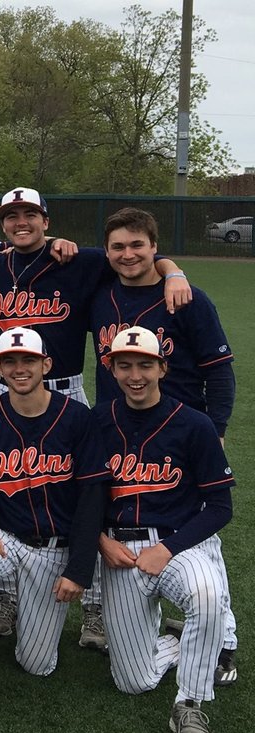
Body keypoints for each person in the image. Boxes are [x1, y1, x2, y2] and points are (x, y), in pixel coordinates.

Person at [0, 187, 192, 650]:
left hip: (67, 389)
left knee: (87, 491)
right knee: (10, 488)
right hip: (7, 387)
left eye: (30, 214)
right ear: (1, 223)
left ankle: (94, 605)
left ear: (46, 219)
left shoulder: (80, 260)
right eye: (11, 215)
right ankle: (7, 596)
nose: (21, 222)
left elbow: (135, 253)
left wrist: (173, 270)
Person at [90, 207, 238, 685]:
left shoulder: (186, 298)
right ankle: (158, 629)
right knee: (117, 508)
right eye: (118, 246)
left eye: (139, 245)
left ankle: (222, 640)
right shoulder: (101, 294)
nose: (128, 254)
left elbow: (219, 370)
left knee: (198, 525)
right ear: (107, 251)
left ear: (155, 247)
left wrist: (215, 428)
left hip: (182, 430)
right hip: (118, 427)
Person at [0, 327, 109, 723]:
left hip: (53, 549)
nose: (19, 369)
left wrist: (79, 570)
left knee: (38, 663)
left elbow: (93, 496)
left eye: (28, 361)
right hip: (4, 539)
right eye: (10, 362)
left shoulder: (77, 417)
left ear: (46, 365)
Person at [93, 325, 234, 733]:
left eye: (145, 365)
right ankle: (183, 640)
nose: (136, 375)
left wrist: (169, 548)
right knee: (133, 681)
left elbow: (219, 507)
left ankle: (189, 705)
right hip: (118, 551)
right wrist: (100, 541)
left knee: (208, 595)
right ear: (112, 369)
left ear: (162, 368)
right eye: (125, 365)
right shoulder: (97, 422)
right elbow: (78, 498)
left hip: (177, 545)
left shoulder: (194, 424)